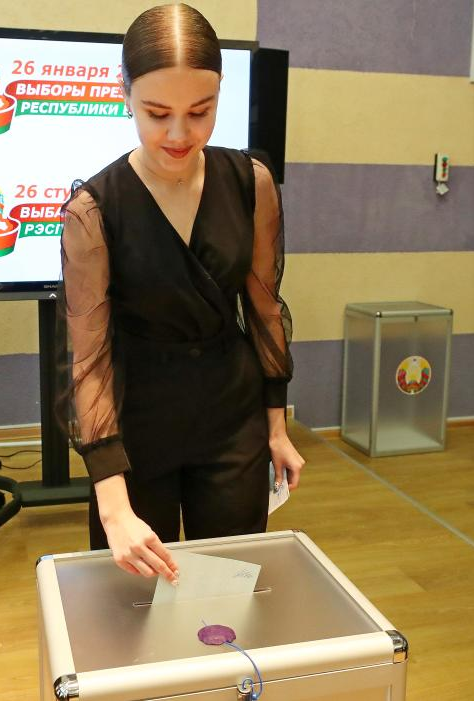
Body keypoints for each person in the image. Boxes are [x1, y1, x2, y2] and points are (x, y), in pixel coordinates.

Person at [60, 3, 304, 584]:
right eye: (157, 113)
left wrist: (275, 427)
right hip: (138, 425)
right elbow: (90, 361)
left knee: (230, 592)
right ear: (124, 92)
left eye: (200, 112)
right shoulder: (94, 209)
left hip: (232, 418)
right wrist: (112, 505)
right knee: (138, 606)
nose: (179, 135)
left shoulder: (250, 182)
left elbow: (265, 309)